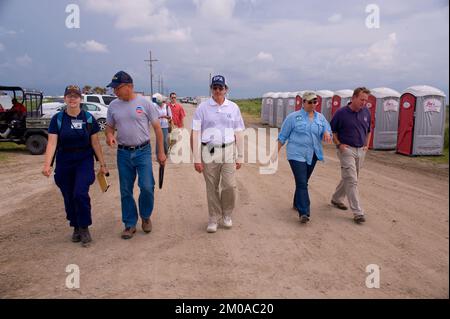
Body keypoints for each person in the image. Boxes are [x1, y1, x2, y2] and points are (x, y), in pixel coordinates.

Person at [42, 85, 108, 247]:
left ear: (81, 99)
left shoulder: (89, 118)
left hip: (84, 159)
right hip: (64, 160)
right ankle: (75, 226)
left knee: (80, 193)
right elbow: (51, 143)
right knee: (68, 195)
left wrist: (102, 164)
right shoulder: (57, 119)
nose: (72, 99)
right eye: (69, 96)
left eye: (75, 96)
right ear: (65, 99)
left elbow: (95, 143)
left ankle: (84, 227)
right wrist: (47, 165)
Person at [105, 71, 166, 240]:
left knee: (147, 186)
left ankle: (145, 216)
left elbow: (158, 129)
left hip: (143, 151)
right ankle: (130, 224)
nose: (115, 91)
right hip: (123, 153)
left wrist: (160, 152)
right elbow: (109, 127)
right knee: (126, 190)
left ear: (129, 86)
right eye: (114, 88)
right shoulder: (113, 106)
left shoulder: (145, 104)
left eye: (117, 87)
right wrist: (109, 136)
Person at [191, 75, 245, 233]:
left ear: (226, 90)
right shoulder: (202, 107)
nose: (217, 90)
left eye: (221, 87)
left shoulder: (233, 107)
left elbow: (239, 132)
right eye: (215, 87)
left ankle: (227, 214)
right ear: (211, 89)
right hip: (209, 150)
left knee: (229, 185)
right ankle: (213, 217)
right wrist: (196, 159)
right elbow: (195, 132)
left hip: (228, 149)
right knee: (211, 187)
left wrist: (240, 155)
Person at [275, 92, 332, 223]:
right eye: (310, 102)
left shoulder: (320, 118)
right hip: (296, 154)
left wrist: (326, 133)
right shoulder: (293, 117)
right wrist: (275, 153)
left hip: (313, 154)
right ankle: (304, 212)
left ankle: (297, 202)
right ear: (303, 102)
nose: (313, 104)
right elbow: (282, 136)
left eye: (315, 102)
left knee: (303, 181)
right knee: (301, 182)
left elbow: (327, 128)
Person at [330, 87, 372, 224]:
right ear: (353, 98)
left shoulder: (366, 112)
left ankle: (336, 199)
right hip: (346, 149)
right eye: (362, 99)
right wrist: (339, 145)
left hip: (361, 150)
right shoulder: (341, 113)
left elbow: (369, 130)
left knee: (349, 177)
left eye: (366, 100)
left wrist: (367, 145)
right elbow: (333, 131)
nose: (364, 103)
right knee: (352, 180)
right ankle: (358, 212)